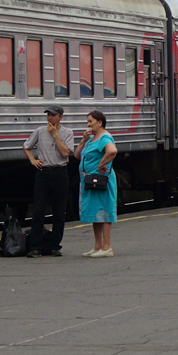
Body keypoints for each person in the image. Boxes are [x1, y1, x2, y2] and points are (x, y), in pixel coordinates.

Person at [22, 104, 74, 257]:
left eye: (53, 115)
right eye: (48, 115)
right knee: (38, 211)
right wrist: (32, 160)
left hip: (60, 173)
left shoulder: (67, 133)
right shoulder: (39, 131)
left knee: (59, 212)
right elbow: (26, 146)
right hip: (43, 173)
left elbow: (65, 153)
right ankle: (35, 247)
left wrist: (55, 136)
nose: (50, 118)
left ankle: (54, 246)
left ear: (60, 117)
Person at [76, 110, 118, 257]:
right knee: (95, 212)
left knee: (104, 210)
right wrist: (82, 140)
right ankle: (97, 246)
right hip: (89, 180)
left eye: (90, 122)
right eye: (87, 122)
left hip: (101, 180)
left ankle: (107, 247)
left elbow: (112, 151)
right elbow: (76, 155)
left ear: (100, 123)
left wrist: (101, 164)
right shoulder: (91, 139)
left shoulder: (104, 137)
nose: (88, 125)